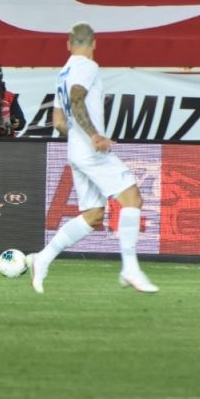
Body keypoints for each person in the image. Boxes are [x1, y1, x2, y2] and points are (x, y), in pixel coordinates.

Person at [26, 22, 159, 294]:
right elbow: (77, 99)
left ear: (68, 43)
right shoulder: (87, 66)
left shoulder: (62, 73)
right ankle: (130, 269)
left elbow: (58, 121)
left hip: (76, 149)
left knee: (93, 215)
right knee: (132, 198)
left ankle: (43, 258)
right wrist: (94, 135)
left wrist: (79, 135)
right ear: (94, 43)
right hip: (90, 149)